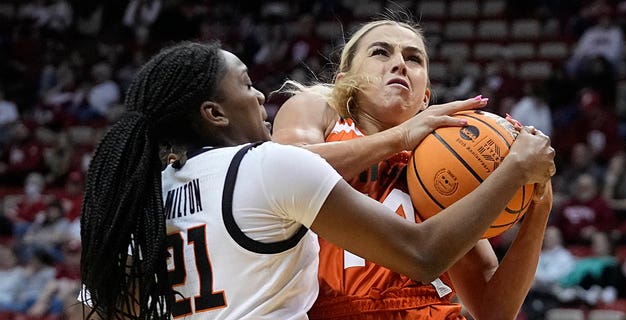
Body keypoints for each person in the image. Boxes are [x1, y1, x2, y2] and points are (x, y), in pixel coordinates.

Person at [79, 41, 554, 320]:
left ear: (427, 91)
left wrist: (536, 204)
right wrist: (515, 169)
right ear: (214, 113)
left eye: (414, 57)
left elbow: (95, 306)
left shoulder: (138, 195)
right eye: (246, 84)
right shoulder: (273, 160)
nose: (261, 93)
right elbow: (424, 254)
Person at [272, 18, 555, 319]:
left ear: (425, 98)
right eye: (381, 52)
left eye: (413, 58)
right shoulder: (318, 109)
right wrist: (400, 137)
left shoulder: (447, 159)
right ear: (344, 81)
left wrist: (539, 197)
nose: (400, 64)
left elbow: (493, 311)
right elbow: (282, 173)